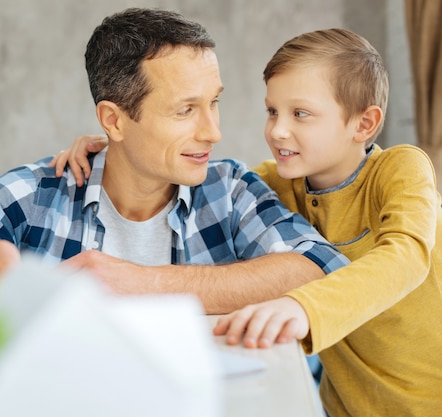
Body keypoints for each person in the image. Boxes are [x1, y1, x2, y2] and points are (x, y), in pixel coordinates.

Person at [55, 28, 442, 416]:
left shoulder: (401, 169)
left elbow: (405, 257)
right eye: (272, 111)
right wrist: (122, 145)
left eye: (300, 114)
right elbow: (200, 173)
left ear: (364, 124)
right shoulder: (276, 182)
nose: (277, 130)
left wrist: (303, 307)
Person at [0, 8, 349, 315]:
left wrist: (145, 283)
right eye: (185, 110)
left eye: (213, 102)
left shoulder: (228, 190)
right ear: (114, 120)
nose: (213, 132)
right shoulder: (27, 198)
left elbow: (320, 266)